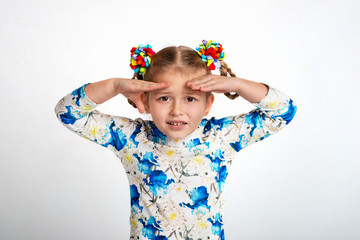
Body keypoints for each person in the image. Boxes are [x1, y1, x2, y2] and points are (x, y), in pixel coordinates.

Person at [54, 40, 297, 240]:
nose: (177, 111)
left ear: (207, 105)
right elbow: (68, 113)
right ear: (146, 101)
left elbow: (283, 111)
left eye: (190, 99)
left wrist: (237, 84)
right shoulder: (131, 138)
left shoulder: (222, 136)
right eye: (164, 99)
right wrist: (114, 85)